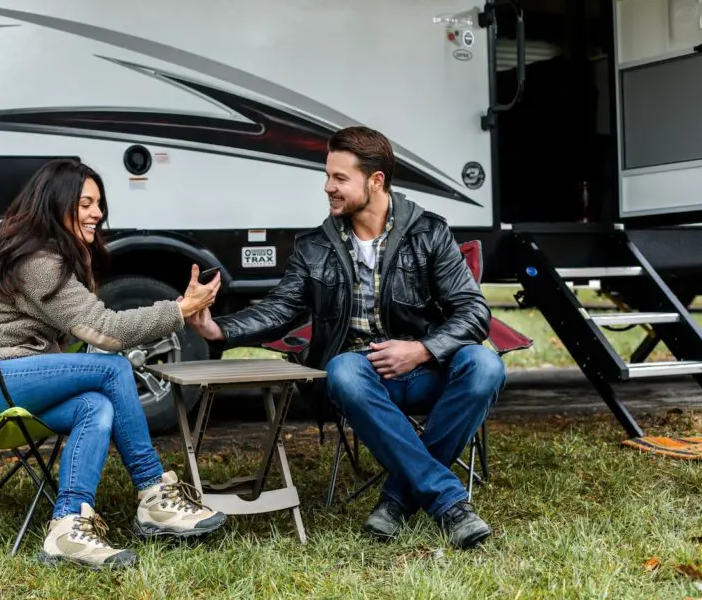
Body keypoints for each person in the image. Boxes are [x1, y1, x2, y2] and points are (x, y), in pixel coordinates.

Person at [187, 126, 505, 549]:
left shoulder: (428, 233)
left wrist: (421, 349)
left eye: (339, 178)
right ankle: (449, 502)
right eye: (327, 176)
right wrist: (218, 329)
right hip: (362, 382)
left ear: (376, 181)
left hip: (428, 370)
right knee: (342, 369)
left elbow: (474, 311)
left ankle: (398, 498)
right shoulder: (315, 246)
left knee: (485, 365)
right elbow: (282, 308)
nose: (327, 187)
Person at [0, 158, 226, 570]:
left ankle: (68, 527)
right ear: (55, 204)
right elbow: (105, 332)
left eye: (99, 203)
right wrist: (179, 309)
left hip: (2, 383)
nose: (98, 213)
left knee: (97, 405)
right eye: (86, 203)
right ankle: (152, 492)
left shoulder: (49, 256)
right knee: (111, 366)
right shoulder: (37, 262)